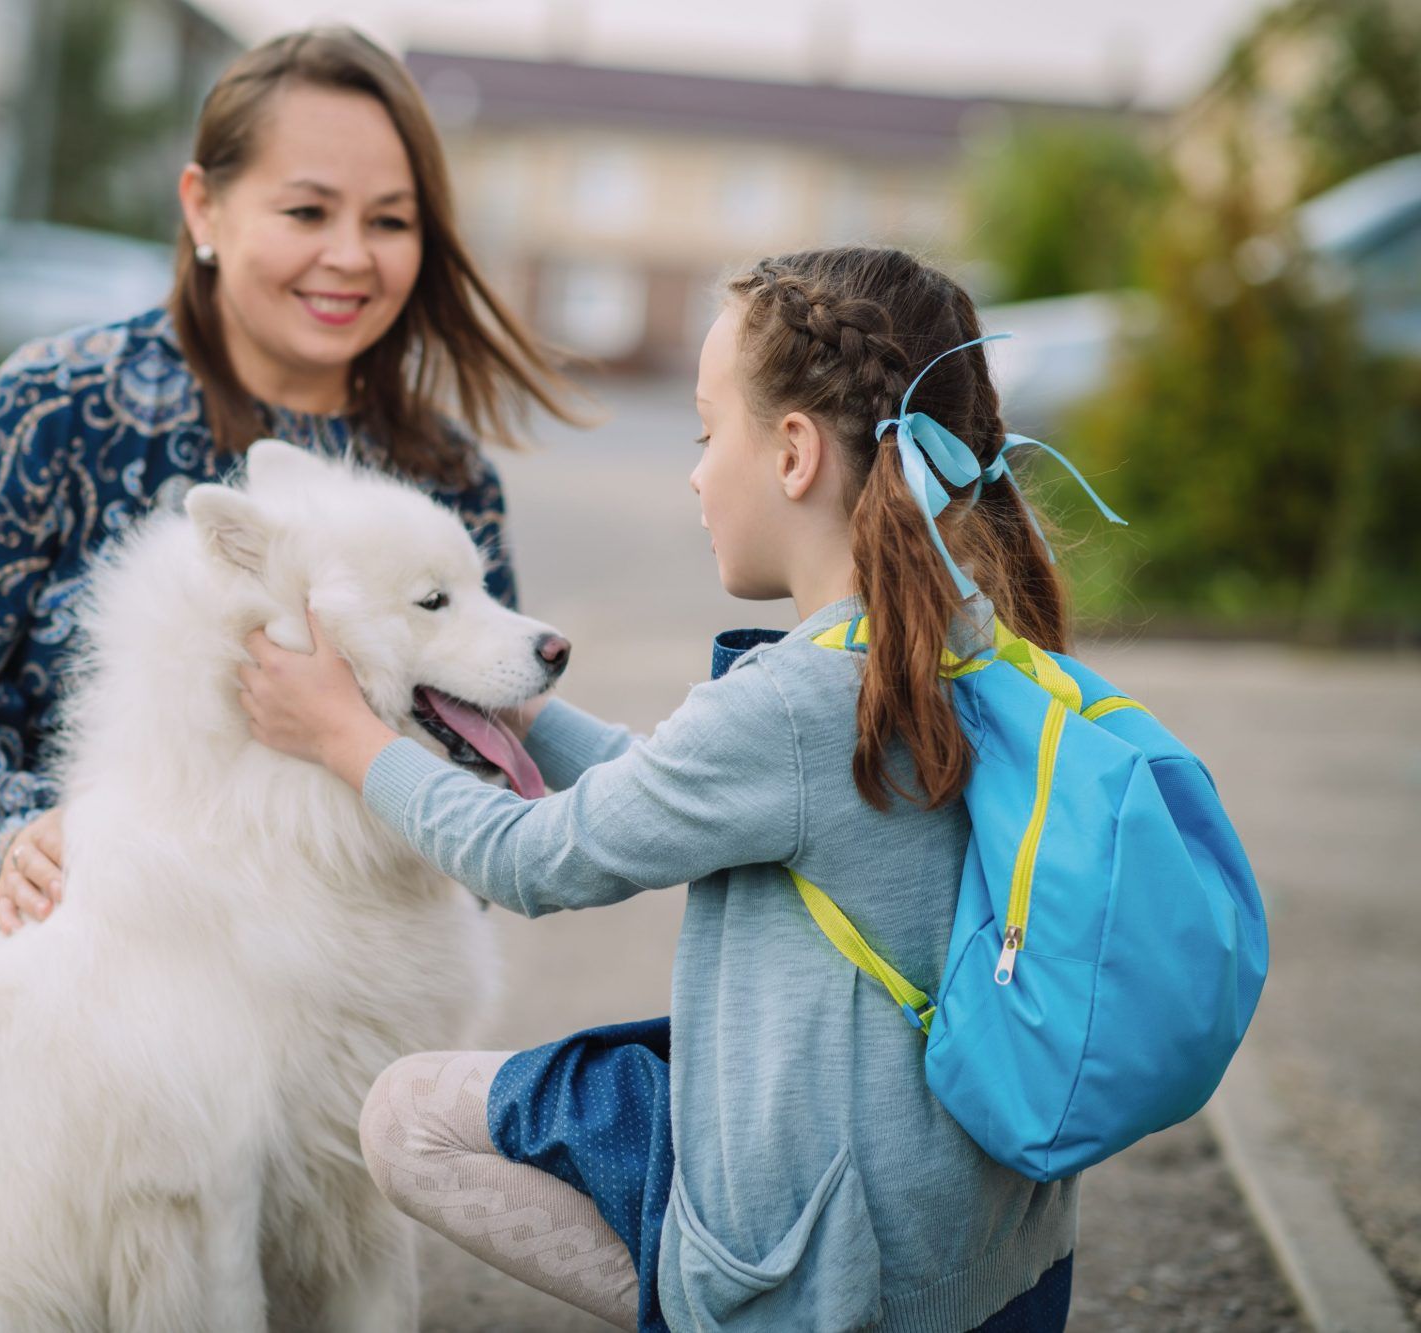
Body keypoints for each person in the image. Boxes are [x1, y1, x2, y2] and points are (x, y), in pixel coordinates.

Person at [238, 246, 1084, 1332]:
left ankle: (731, 1308)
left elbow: (532, 859)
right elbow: (679, 786)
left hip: (839, 1263)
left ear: (788, 454)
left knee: (409, 1115)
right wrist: (517, 712)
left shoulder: (791, 704)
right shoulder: (964, 646)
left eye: (702, 431)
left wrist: (349, 738)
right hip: (985, 1251)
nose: (691, 472)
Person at [0, 25, 580, 1078]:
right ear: (203, 207)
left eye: (390, 221)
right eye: (306, 211)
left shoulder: (439, 467)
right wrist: (14, 831)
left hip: (289, 918)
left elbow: (475, 736)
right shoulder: (53, 405)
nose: (350, 254)